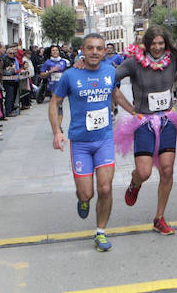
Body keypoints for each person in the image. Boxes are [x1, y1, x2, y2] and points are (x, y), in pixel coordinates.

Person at [49, 33, 135, 252]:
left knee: (105, 188)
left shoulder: (110, 71)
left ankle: (100, 232)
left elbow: (115, 94)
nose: (95, 52)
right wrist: (57, 131)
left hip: (104, 139)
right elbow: (54, 102)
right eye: (90, 48)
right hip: (80, 143)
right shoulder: (71, 75)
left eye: (99, 48)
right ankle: (83, 199)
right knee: (87, 192)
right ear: (83, 50)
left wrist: (135, 112)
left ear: (105, 51)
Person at [113, 27, 177, 234]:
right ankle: (134, 182)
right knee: (144, 172)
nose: (157, 47)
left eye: (161, 43)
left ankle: (159, 217)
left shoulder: (173, 60)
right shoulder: (134, 63)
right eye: (153, 44)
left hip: (167, 120)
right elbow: (111, 79)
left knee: (167, 169)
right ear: (147, 45)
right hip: (143, 122)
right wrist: (130, 109)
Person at [39, 45, 68, 110]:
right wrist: (50, 72)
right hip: (52, 86)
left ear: (59, 52)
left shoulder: (63, 62)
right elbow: (41, 74)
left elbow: (67, 73)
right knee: (55, 104)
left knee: (60, 106)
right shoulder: (47, 62)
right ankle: (55, 118)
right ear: (51, 53)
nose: (55, 52)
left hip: (61, 85)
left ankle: (58, 119)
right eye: (53, 50)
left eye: (56, 50)